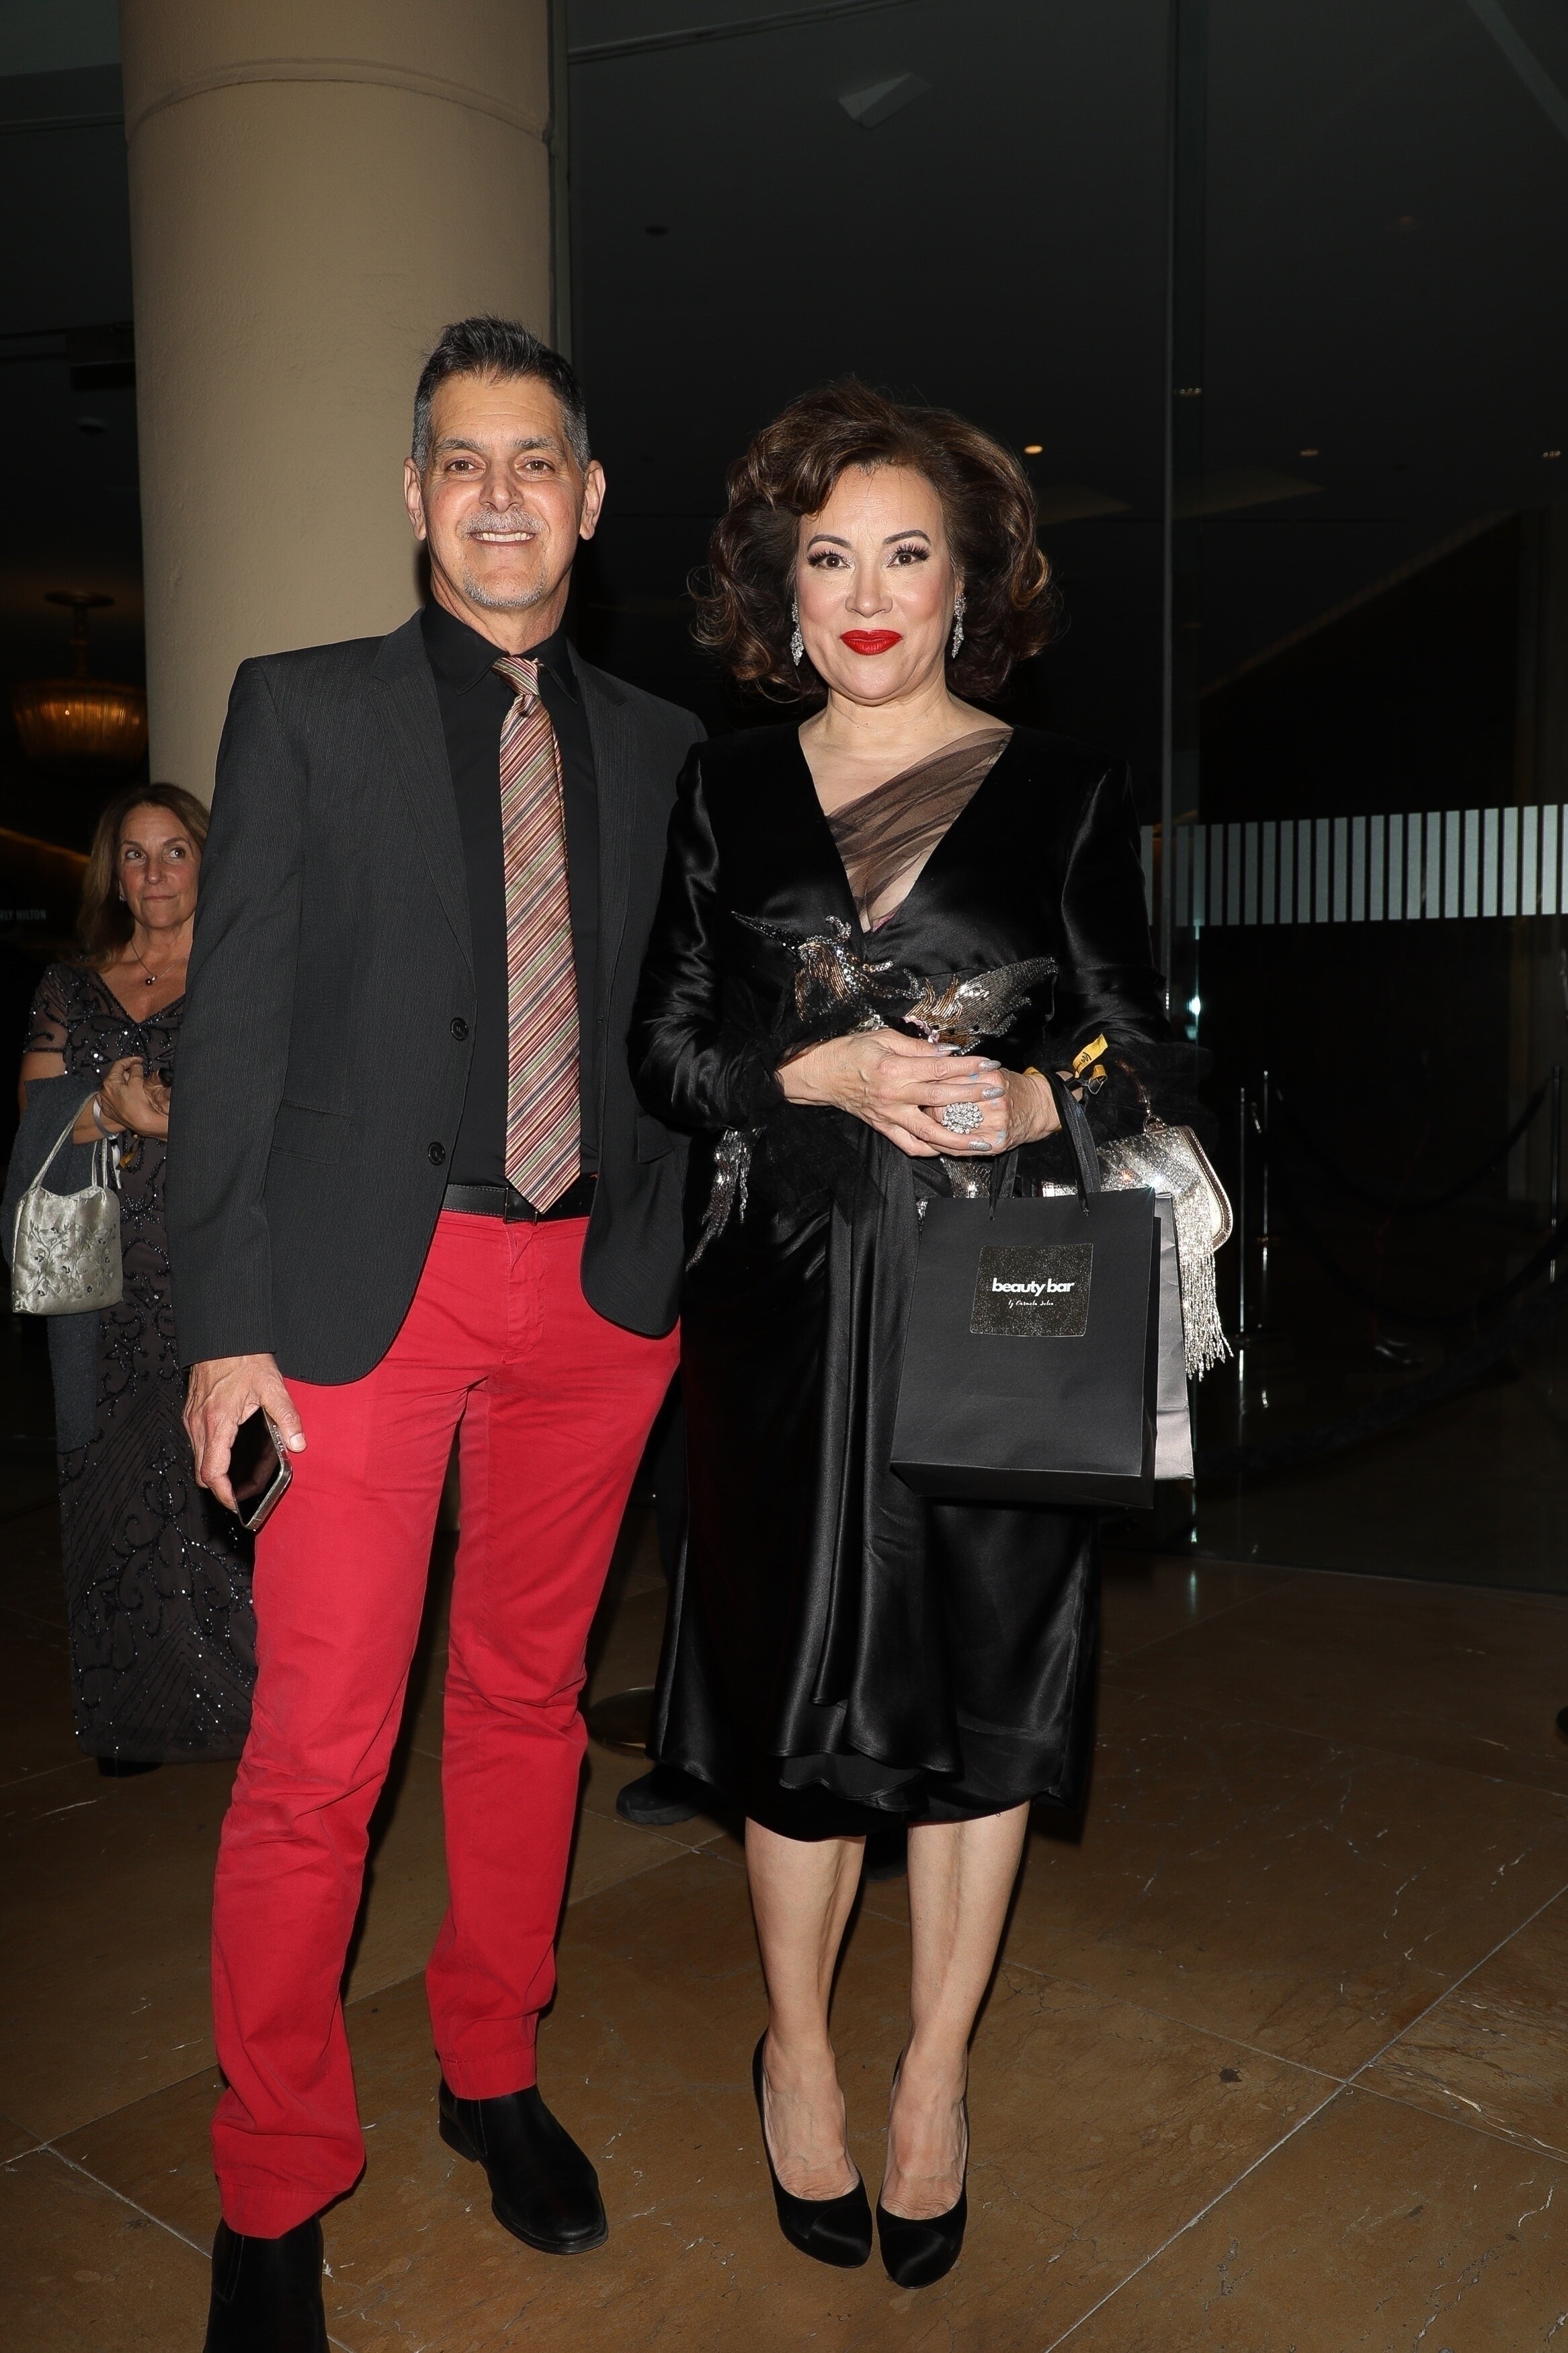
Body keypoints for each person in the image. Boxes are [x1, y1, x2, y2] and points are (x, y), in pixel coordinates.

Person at [165, 318, 698, 2350]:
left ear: (587, 497)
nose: (497, 494)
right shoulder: (299, 711)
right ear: (414, 498)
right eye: (460, 461)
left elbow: (685, 1028)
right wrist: (224, 1324)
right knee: (318, 1751)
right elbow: (232, 1036)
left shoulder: (664, 746)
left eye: (533, 458)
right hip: (355, 1302)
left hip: (594, 1296)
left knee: (528, 1704)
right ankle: (275, 2178)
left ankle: (491, 2066)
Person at [630, 382, 1174, 2289]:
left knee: (982, 1694)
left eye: (906, 556)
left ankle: (932, 2071)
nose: (866, 597)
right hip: (781, 1305)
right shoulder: (725, 787)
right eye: (829, 560)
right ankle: (797, 2047)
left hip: (1000, 1300)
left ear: (968, 585)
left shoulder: (1061, 787)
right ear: (781, 591)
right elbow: (665, 1051)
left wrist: (1044, 1097)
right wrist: (807, 1069)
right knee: (790, 1699)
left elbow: (1132, 1036)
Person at [5, 785, 254, 1774]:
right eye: (136, 855)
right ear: (114, 874)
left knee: (220, 1479)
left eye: (175, 851)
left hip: (213, 1261)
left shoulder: (242, 975)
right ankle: (134, 1719)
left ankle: (250, 1711)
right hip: (100, 1277)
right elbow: (36, 1114)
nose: (154, 873)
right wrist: (109, 1115)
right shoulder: (69, 989)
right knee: (111, 1485)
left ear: (206, 861)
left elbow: (271, 1110)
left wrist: (169, 1119)